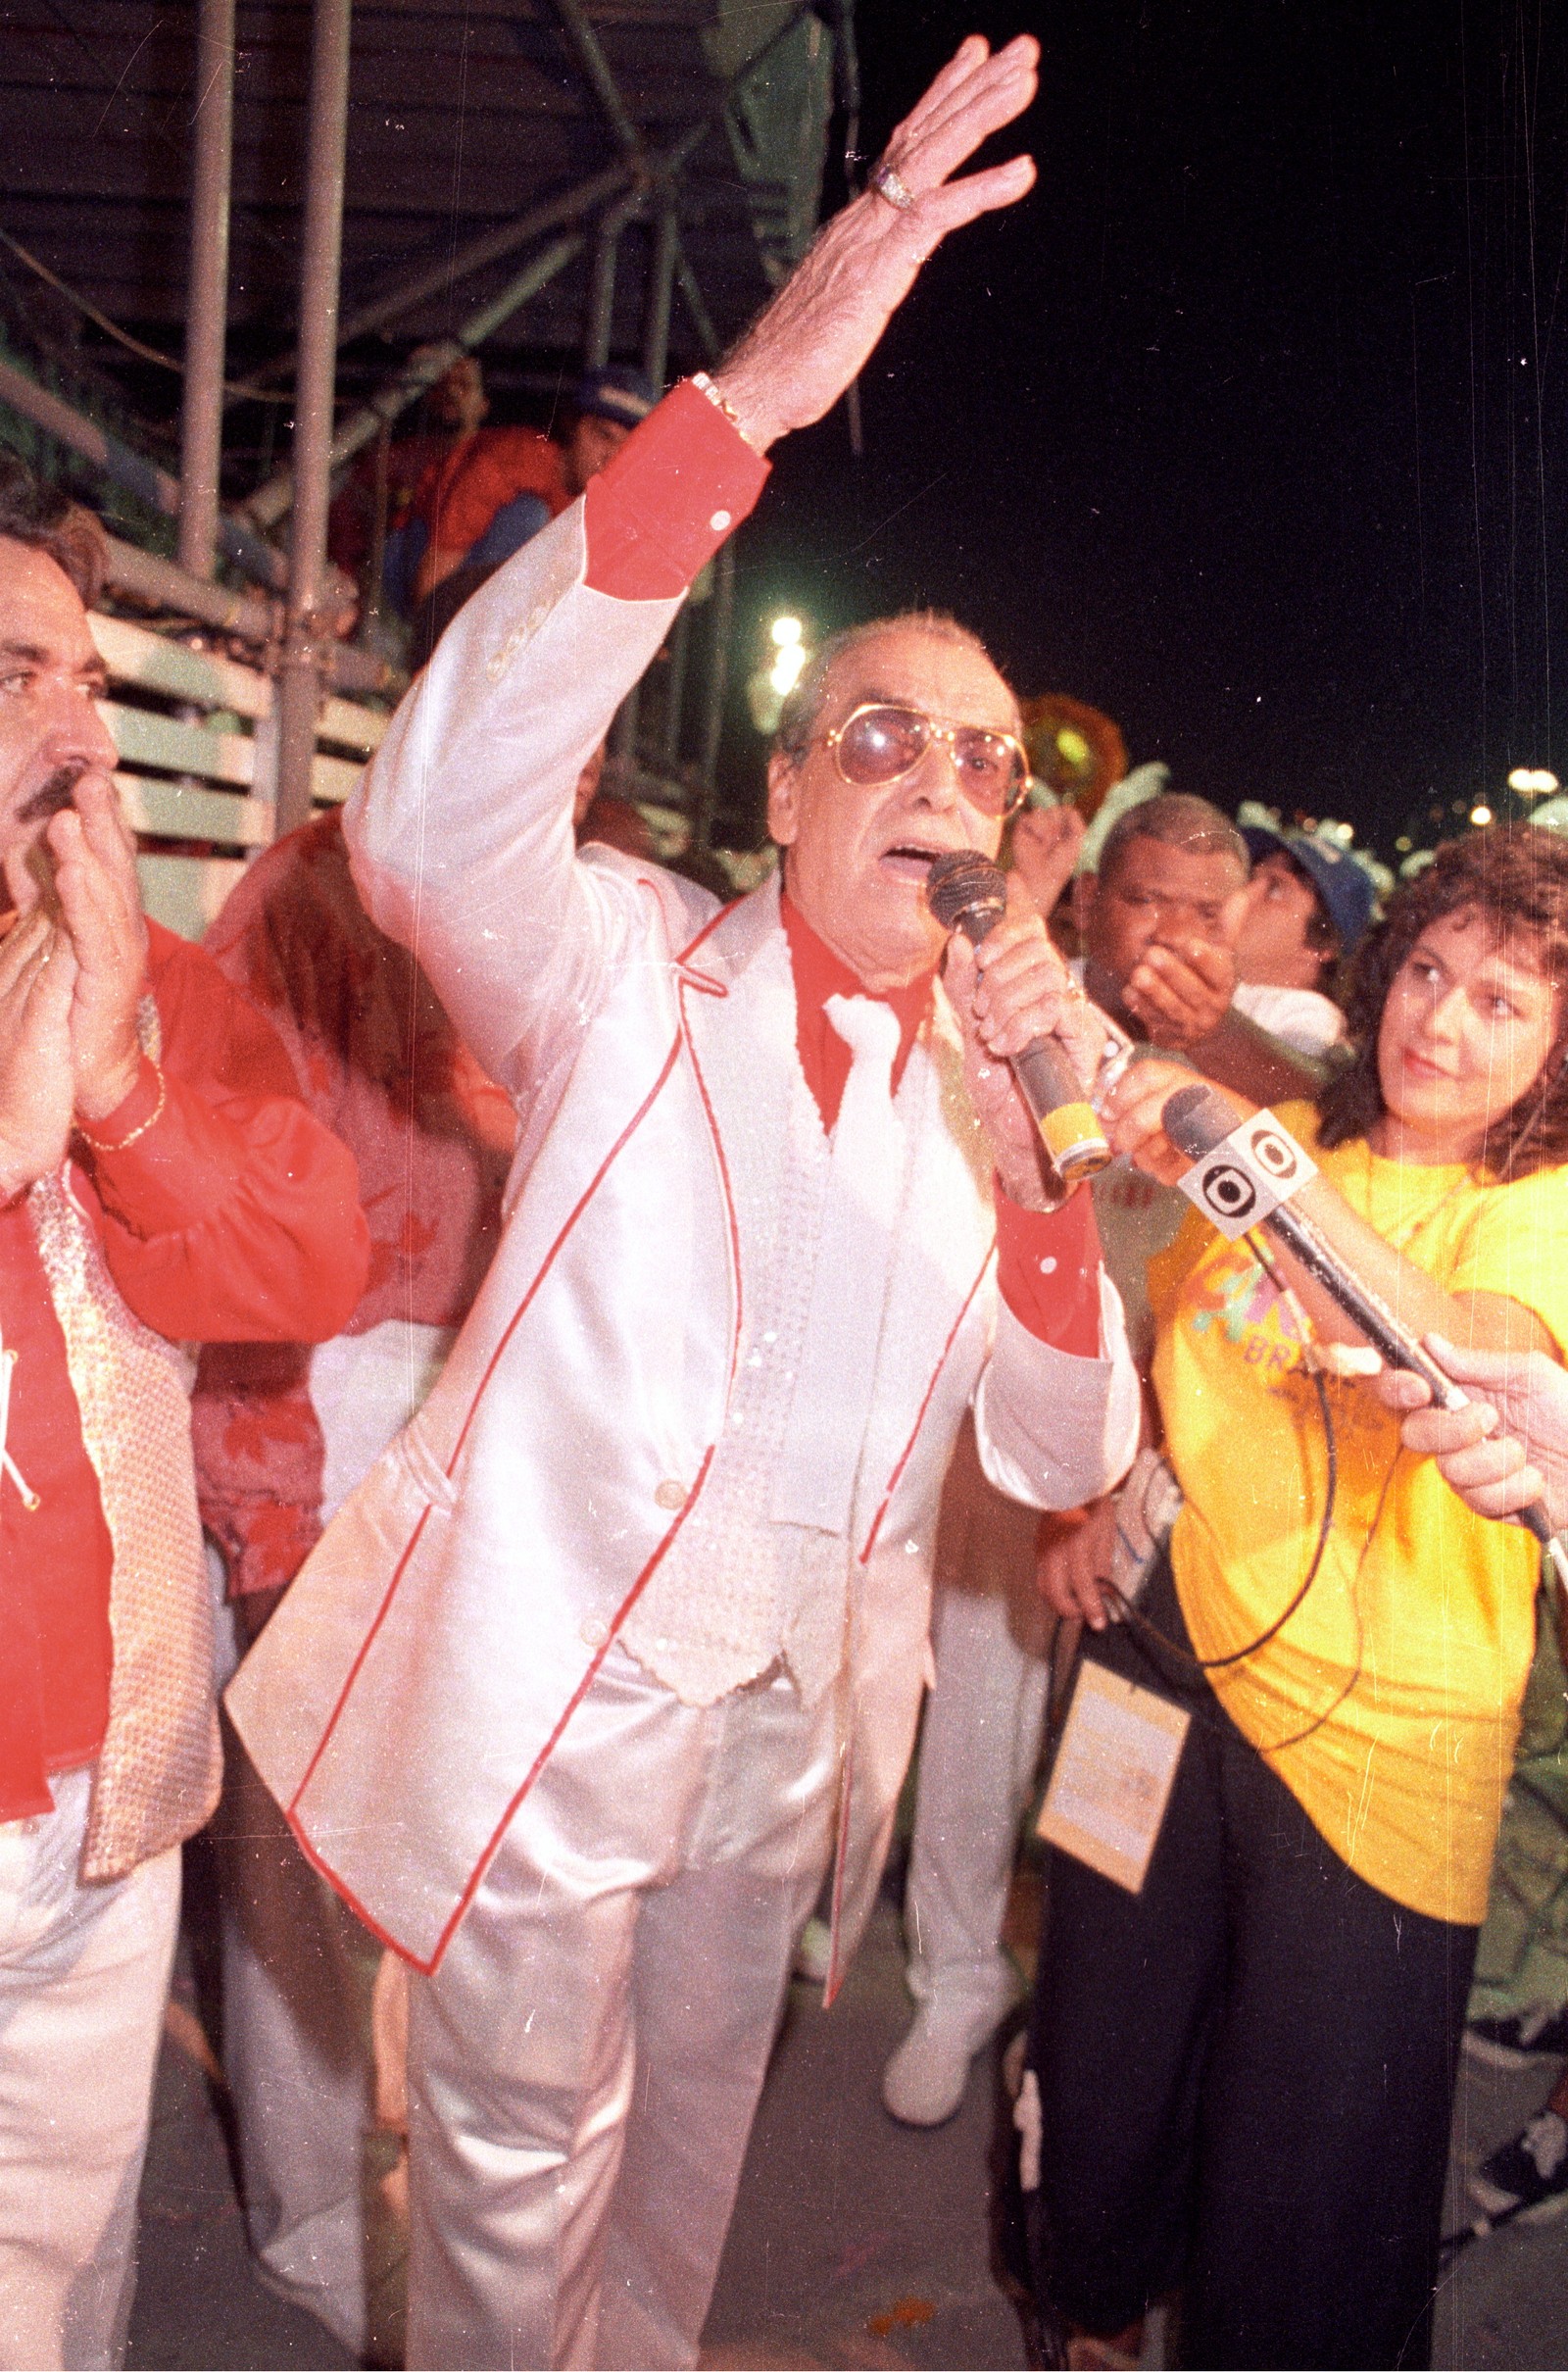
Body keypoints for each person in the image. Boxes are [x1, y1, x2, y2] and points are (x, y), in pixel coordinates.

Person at [226, 36, 1144, 2370]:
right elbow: (431, 819)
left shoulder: (996, 1092)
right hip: (567, 1693)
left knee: (699, 2136)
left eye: (981, 749)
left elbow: (1051, 1455)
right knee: (516, 2161)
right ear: (781, 782)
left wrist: (1049, 1175)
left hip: (784, 1726)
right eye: (879, 729)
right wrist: (742, 405)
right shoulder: (626, 969)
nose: (939, 774)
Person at [1028, 824, 1568, 2368]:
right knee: (1097, 2070)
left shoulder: (1540, 1213)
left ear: (1553, 1054)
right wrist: (1098, 1505)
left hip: (1380, 1754)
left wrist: (1231, 1137)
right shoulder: (1312, 1161)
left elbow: (1454, 1338)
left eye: (1503, 1004)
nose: (1442, 1020)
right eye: (1433, 971)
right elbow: (1191, 1370)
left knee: (1309, 2187)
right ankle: (1087, 2326)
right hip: (1156, 1671)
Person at [0, 462, 370, 2371]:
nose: (67, 723)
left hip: (97, 1787)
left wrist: (124, 1080)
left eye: (80, 675)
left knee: (61, 2278)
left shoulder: (147, 973)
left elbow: (301, 1267)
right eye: (8, 673)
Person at [884, 793, 1339, 2127]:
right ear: (1088, 901)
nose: (1176, 934)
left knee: (1115, 1762)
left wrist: (1205, 1043)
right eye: (1147, 901)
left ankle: (1077, 2015)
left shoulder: (1258, 1052)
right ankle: (955, 1976)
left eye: (1210, 911)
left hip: (1168, 1464)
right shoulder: (1014, 1000)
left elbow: (1327, 1141)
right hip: (1016, 1424)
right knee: (978, 1706)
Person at [190, 806, 517, 2360]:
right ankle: (312, 2212)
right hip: (332, 1384)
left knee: (430, 1840)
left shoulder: (534, 879)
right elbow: (248, 1244)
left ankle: (404, 2189)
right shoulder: (311, 899)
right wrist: (271, 1534)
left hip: (480, 1395)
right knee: (302, 1847)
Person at [409, 362, 656, 660]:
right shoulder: (514, 460)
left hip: (481, 608)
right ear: (573, 427)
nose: (611, 457)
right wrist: (429, 664)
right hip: (414, 564)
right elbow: (437, 569)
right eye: (603, 435)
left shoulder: (609, 503)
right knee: (529, 516)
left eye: (626, 447)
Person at [1234, 818, 1379, 1046]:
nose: (1243, 893)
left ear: (1321, 945)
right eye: (1251, 877)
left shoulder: (1310, 1018)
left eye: (1275, 890)